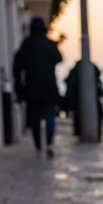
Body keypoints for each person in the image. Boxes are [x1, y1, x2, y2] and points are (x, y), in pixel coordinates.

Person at [12, 17, 62, 158]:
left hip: (32, 87)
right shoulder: (50, 45)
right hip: (49, 87)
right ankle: (49, 143)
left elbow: (17, 67)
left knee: (35, 118)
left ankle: (38, 146)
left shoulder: (26, 45)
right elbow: (59, 58)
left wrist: (19, 85)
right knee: (49, 116)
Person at [63, 59, 103, 139]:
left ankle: (82, 131)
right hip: (89, 96)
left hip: (79, 97)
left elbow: (69, 84)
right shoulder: (91, 68)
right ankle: (95, 132)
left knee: (79, 114)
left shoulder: (74, 71)